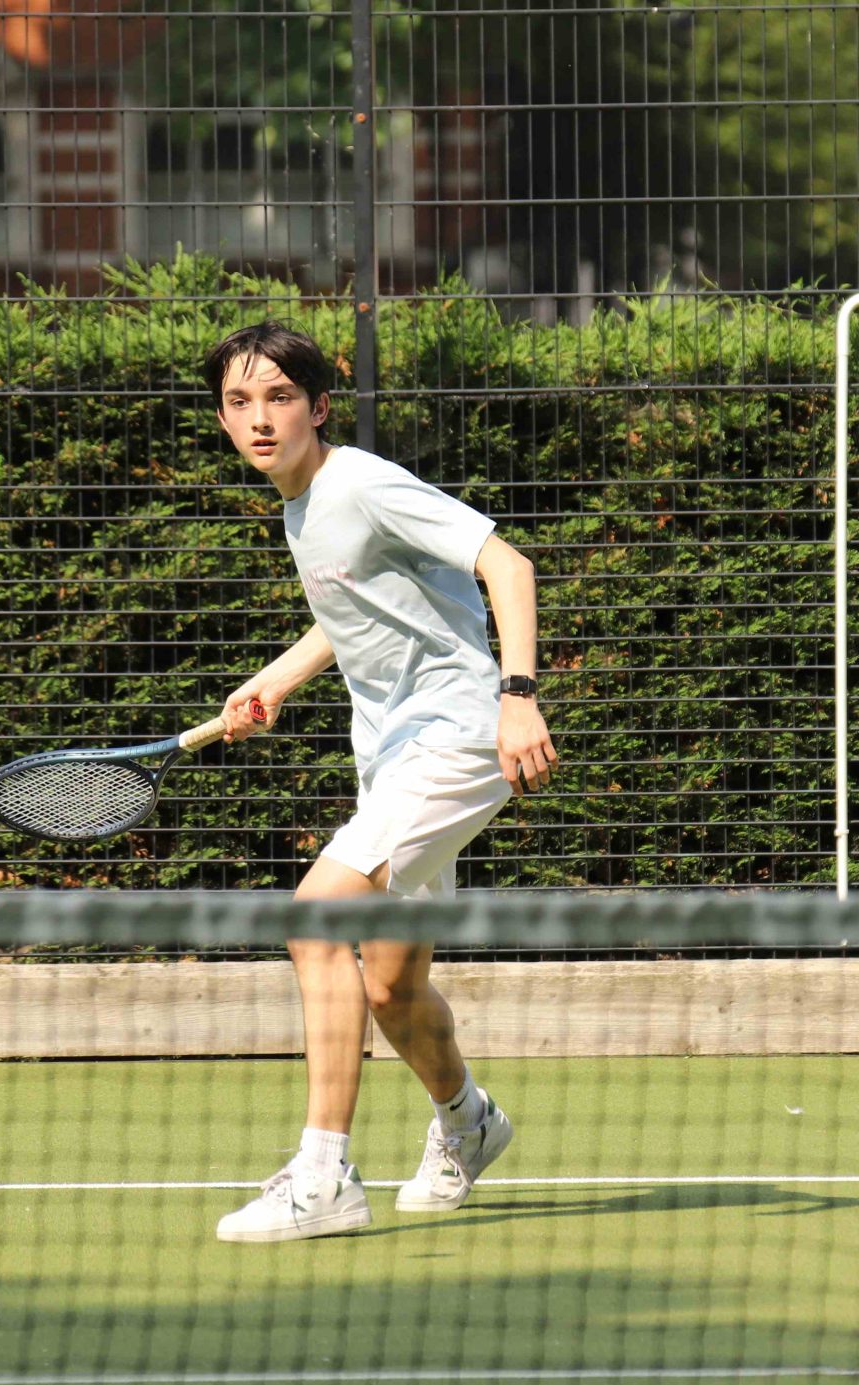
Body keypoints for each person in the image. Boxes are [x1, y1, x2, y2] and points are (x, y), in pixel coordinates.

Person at [199, 322, 556, 1245]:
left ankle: (323, 1172)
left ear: (318, 407)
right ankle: (471, 1121)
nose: (260, 419)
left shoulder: (356, 480)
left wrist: (516, 697)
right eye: (240, 402)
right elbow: (356, 608)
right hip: (392, 756)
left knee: (318, 914)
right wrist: (278, 677)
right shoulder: (301, 506)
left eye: (280, 398)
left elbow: (504, 563)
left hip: (457, 736)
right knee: (393, 987)